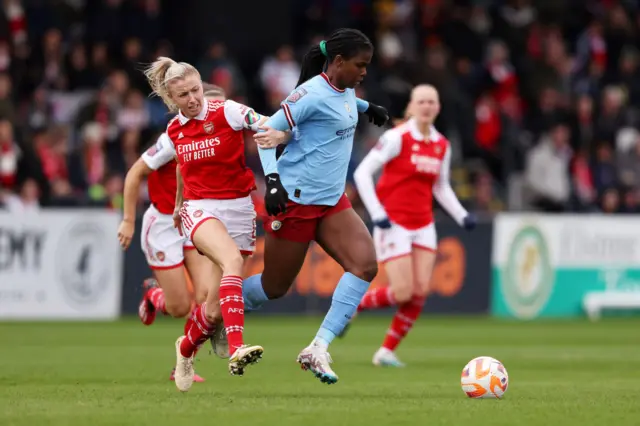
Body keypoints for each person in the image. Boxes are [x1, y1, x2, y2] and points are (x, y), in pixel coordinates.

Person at [241, 28, 390, 385]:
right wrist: (273, 182)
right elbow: (265, 133)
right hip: (293, 201)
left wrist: (370, 108)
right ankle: (219, 306)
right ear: (338, 62)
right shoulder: (307, 95)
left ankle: (318, 347)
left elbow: (344, 103)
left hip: (331, 202)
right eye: (361, 65)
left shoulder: (347, 90)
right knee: (274, 288)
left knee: (365, 265)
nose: (365, 72)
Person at [143, 56, 289, 392]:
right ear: (172, 99)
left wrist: (277, 136)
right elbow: (183, 168)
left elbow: (262, 123)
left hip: (238, 207)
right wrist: (181, 205)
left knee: (211, 309)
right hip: (201, 208)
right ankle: (238, 347)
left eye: (195, 90)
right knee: (232, 262)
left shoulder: (227, 111)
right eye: (183, 95)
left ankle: (185, 350)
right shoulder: (174, 129)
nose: (192, 99)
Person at [351, 84, 476, 366]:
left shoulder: (442, 144)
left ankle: (385, 351)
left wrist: (461, 215)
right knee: (404, 291)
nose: (427, 106)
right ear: (412, 106)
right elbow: (362, 174)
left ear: (438, 107)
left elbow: (441, 187)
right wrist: (377, 212)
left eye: (432, 101)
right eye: (422, 101)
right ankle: (355, 305)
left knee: (419, 291)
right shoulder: (397, 137)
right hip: (393, 222)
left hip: (423, 224)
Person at [117, 85, 230, 384]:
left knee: (208, 300)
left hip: (193, 221)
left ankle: (183, 363)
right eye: (213, 108)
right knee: (180, 307)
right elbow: (135, 174)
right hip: (165, 225)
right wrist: (128, 220)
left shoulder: (222, 142)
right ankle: (153, 294)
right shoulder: (173, 138)